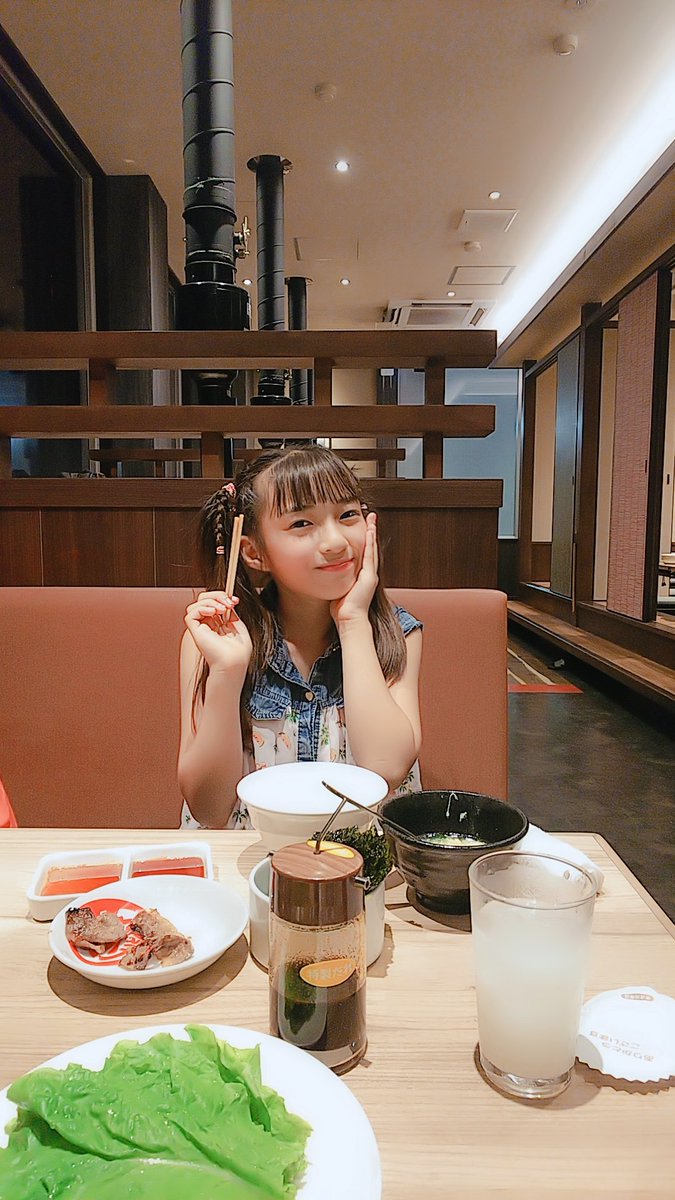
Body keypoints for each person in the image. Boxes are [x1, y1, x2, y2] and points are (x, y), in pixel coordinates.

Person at [178, 445, 423, 828]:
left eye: (347, 515)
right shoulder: (213, 638)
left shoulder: (396, 632)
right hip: (249, 854)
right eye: (302, 524)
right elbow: (208, 809)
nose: (335, 541)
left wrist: (353, 621)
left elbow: (386, 768)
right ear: (254, 552)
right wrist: (227, 672)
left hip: (362, 855)